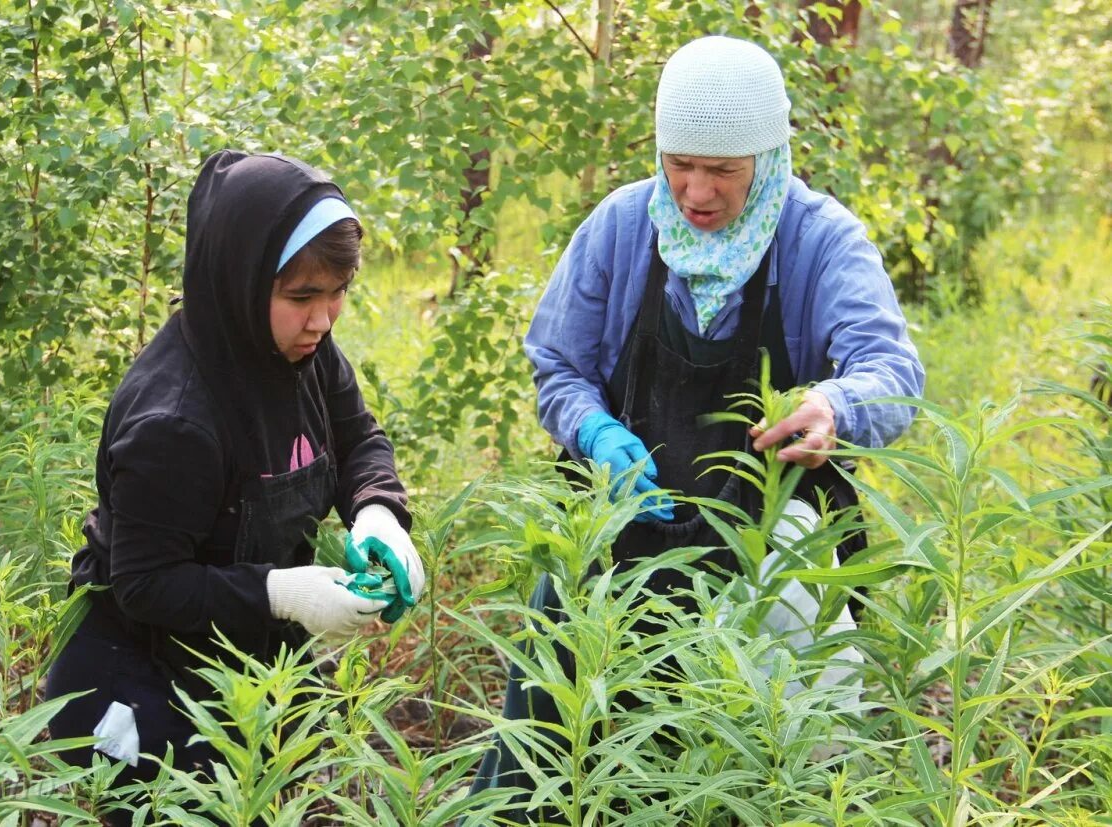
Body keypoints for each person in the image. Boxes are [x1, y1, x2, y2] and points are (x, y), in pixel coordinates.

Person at [469, 35, 924, 819]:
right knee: (551, 756)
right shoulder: (620, 226)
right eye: (679, 162)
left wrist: (836, 408)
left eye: (723, 171)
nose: (694, 191)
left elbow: (894, 375)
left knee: (786, 768)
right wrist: (594, 433)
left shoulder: (819, 240)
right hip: (616, 539)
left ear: (769, 157)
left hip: (771, 555)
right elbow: (559, 367)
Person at [46, 150, 425, 820]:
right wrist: (282, 589)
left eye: (337, 292)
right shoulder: (176, 419)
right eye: (301, 297)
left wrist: (377, 513)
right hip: (145, 672)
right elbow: (145, 583)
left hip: (249, 658)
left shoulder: (300, 349)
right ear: (240, 282)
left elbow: (357, 435)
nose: (323, 318)